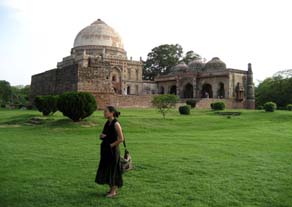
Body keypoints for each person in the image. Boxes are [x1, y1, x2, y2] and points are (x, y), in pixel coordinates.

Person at [95, 106, 124, 198]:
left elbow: (121, 139)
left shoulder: (116, 124)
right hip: (106, 150)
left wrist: (111, 145)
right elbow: (106, 135)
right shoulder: (107, 123)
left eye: (106, 111)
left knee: (114, 170)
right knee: (108, 169)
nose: (104, 113)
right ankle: (111, 189)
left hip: (113, 151)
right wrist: (102, 136)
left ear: (112, 113)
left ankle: (113, 191)